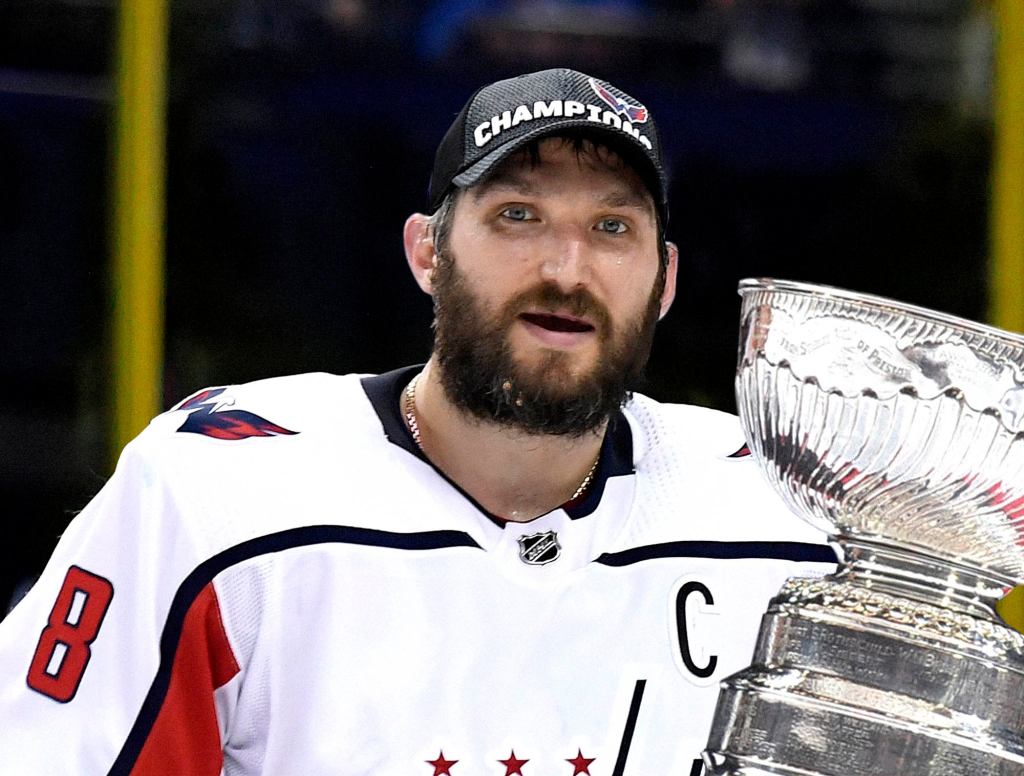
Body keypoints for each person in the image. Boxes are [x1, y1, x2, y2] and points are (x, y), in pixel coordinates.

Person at [0, 68, 835, 775]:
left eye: (612, 228)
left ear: (665, 282)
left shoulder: (781, 517)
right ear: (426, 252)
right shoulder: (219, 492)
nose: (565, 268)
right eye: (518, 215)